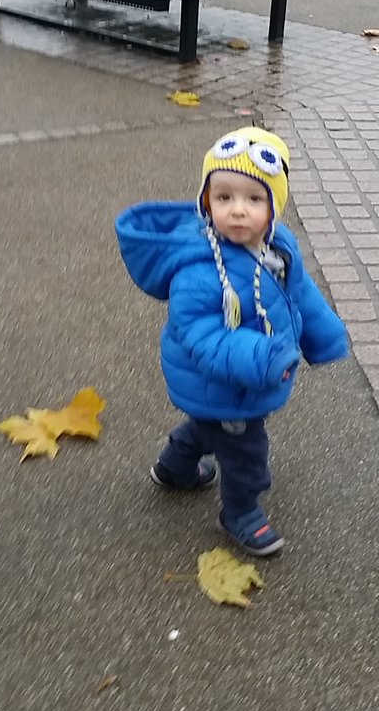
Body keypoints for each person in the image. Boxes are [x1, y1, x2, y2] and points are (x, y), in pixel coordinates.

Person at [115, 126, 349, 556]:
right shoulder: (199, 270)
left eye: (253, 199)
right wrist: (262, 358)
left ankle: (175, 466)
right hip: (226, 379)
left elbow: (299, 293)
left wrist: (324, 335)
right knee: (245, 451)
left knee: (210, 426)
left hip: (244, 378)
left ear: (274, 204)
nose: (238, 210)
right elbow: (204, 338)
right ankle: (241, 512)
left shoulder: (279, 246)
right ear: (207, 202)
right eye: (224, 197)